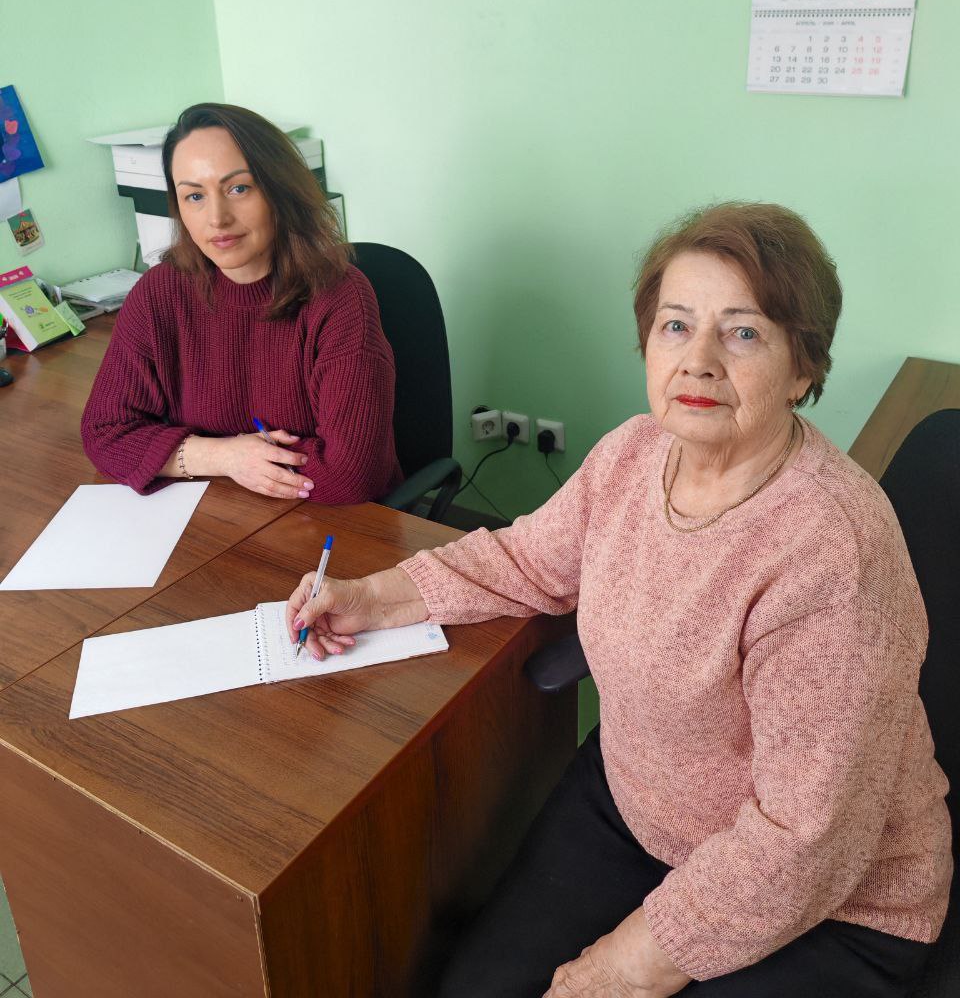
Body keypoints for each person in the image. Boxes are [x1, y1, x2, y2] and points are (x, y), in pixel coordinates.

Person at [286, 202, 952, 997]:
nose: (698, 362)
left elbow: (806, 840)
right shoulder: (633, 454)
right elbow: (523, 559)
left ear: (803, 368)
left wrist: (621, 970)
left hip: (834, 900)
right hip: (642, 811)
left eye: (743, 333)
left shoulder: (831, 552)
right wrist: (372, 596)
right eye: (676, 326)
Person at [82, 103, 401, 505]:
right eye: (194, 195)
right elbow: (104, 433)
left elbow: (351, 475)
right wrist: (225, 456)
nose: (217, 218)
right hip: (217, 511)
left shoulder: (339, 296)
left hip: (333, 522)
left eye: (238, 188)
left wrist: (186, 454)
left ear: (279, 190)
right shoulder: (159, 291)